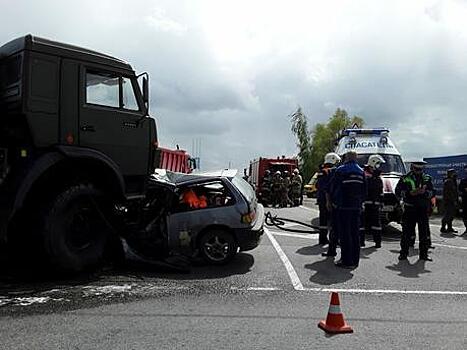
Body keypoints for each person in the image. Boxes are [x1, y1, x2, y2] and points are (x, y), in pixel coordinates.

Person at [328, 151, 366, 268]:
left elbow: (333, 187)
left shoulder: (341, 170)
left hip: (343, 206)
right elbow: (365, 191)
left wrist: (332, 202)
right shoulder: (361, 172)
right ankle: (355, 261)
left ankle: (346, 261)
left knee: (345, 234)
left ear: (346, 158)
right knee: (355, 234)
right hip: (356, 207)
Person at [395, 161, 434, 261]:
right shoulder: (405, 178)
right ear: (412, 168)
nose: (418, 171)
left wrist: (424, 193)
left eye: (420, 169)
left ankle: (423, 255)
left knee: (424, 233)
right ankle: (403, 253)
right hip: (410, 208)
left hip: (422, 209)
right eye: (416, 169)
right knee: (406, 233)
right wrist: (410, 193)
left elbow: (432, 192)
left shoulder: (427, 178)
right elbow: (398, 192)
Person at [316, 152, 341, 246]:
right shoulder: (328, 171)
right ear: (333, 160)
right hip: (328, 199)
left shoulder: (322, 171)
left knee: (323, 220)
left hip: (322, 199)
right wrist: (329, 201)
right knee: (333, 220)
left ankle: (322, 239)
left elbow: (317, 185)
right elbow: (328, 187)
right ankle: (333, 240)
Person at [361, 154, 385, 248]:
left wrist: (382, 202)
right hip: (365, 203)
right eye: (379, 164)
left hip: (375, 204)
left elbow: (380, 191)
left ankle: (377, 242)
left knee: (376, 224)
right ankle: (360, 242)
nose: (380, 166)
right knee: (362, 224)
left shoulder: (377, 177)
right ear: (373, 163)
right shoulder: (365, 175)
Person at [441, 169, 458, 233]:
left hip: (452, 201)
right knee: (447, 215)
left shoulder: (453, 181)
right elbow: (449, 193)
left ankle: (449, 228)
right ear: (450, 174)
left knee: (451, 215)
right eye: (453, 173)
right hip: (449, 201)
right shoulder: (448, 181)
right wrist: (453, 201)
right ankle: (443, 228)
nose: (455, 174)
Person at [458, 165, 467, 235]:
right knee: (464, 216)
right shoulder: (463, 180)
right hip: (465, 200)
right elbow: (460, 188)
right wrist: (464, 189)